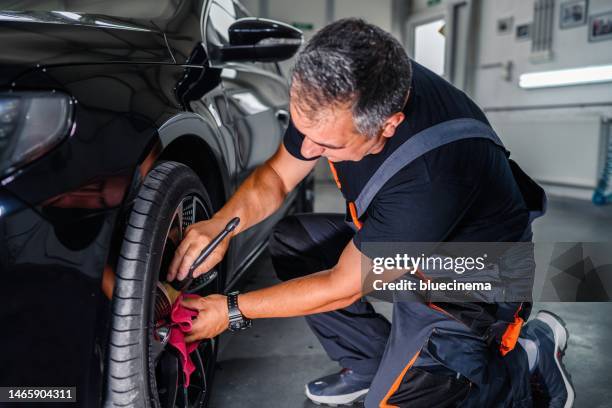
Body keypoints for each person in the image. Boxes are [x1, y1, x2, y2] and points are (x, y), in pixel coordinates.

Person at [168, 18, 574, 407]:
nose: (307, 151)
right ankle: (372, 363)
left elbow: (343, 284)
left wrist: (232, 310)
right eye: (302, 131)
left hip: (474, 279)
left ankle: (526, 364)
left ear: (389, 124)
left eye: (326, 145)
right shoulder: (337, 92)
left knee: (394, 404)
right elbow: (276, 176)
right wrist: (221, 224)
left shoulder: (431, 176)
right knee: (296, 242)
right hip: (410, 247)